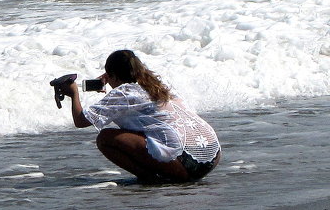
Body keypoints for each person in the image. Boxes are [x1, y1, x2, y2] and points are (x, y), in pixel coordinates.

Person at [64, 49, 220, 183]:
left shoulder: (123, 93)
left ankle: (151, 179)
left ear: (115, 76)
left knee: (105, 138)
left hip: (186, 164)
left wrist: (73, 94)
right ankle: (164, 173)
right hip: (212, 154)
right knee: (147, 130)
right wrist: (112, 79)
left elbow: (80, 121)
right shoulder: (159, 84)